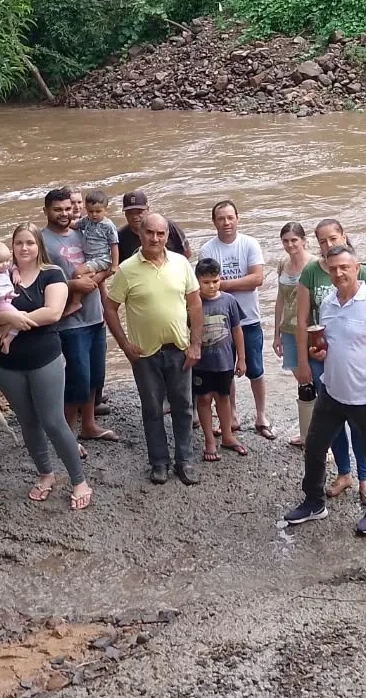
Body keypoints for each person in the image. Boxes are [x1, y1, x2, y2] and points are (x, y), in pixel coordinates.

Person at [0, 223, 93, 510]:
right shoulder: (0, 274)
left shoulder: (52, 273)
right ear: (12, 246)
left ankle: (79, 480)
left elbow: (53, 312)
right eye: (19, 243)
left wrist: (13, 320)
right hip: (5, 363)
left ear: (39, 246)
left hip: (44, 358)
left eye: (30, 242)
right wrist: (8, 321)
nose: (24, 248)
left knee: (53, 421)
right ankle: (45, 474)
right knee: (28, 421)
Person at [284, 245, 366, 537]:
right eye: (333, 268)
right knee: (315, 447)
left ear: (357, 269)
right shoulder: (330, 303)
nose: (339, 273)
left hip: (365, 395)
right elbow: (330, 345)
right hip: (331, 391)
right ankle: (313, 502)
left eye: (345, 267)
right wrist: (318, 355)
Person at [104, 212, 203, 485]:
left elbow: (195, 304)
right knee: (152, 409)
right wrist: (124, 345)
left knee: (183, 407)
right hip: (144, 353)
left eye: (161, 234)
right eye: (150, 233)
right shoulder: (126, 269)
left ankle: (185, 461)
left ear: (167, 236)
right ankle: (159, 462)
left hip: (179, 349)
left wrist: (195, 343)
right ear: (140, 234)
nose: (155, 238)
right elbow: (110, 308)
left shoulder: (181, 263)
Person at [294, 219, 366, 501]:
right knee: (332, 421)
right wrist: (303, 361)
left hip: (355, 361)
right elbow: (302, 319)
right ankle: (344, 472)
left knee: (359, 422)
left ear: (344, 236)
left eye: (333, 238)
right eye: (322, 241)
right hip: (320, 355)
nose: (328, 245)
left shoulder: (355, 268)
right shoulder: (312, 272)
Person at [41, 188, 118, 444]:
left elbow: (105, 261)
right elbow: (38, 280)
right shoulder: (42, 240)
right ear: (46, 211)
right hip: (68, 320)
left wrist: (96, 281)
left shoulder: (84, 231)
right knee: (78, 378)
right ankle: (67, 435)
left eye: (67, 209)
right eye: (57, 209)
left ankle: (89, 425)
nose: (63, 214)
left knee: (96, 376)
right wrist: (74, 287)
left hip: (94, 314)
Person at [199, 200, 274, 440]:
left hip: (249, 319)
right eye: (221, 218)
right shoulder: (208, 249)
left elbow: (257, 279)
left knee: (255, 368)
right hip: (218, 320)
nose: (226, 222)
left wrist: (221, 285)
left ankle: (261, 414)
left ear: (238, 218)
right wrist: (230, 284)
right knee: (225, 371)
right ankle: (231, 413)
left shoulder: (249, 244)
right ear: (214, 222)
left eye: (230, 217)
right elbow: (205, 284)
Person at [194, 257, 246, 462]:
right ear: (197, 280)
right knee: (204, 399)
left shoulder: (229, 300)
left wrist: (241, 358)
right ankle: (209, 440)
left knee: (223, 398)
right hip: (200, 362)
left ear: (220, 279)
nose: (211, 286)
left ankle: (227, 435)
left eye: (215, 281)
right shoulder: (192, 301)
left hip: (224, 361)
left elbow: (237, 330)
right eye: (206, 282)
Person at [272, 222, 311, 446]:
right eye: (286, 241)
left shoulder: (314, 264)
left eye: (294, 240)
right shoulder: (283, 264)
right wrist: (276, 333)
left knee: (312, 379)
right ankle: (306, 434)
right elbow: (279, 300)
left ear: (303, 241)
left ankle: (319, 437)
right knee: (301, 380)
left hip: (308, 329)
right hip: (287, 328)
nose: (290, 245)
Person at [65, 190, 120, 317]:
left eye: (98, 211)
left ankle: (76, 302)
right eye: (90, 211)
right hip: (90, 258)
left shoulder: (108, 226)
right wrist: (64, 220)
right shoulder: (86, 221)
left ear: (106, 210)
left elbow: (114, 245)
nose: (94, 215)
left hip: (102, 258)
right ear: (86, 210)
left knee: (78, 273)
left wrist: (115, 265)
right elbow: (75, 225)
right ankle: (106, 312)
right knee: (98, 284)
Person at [118, 191, 190, 261]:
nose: (135, 217)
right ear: (125, 214)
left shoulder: (166, 226)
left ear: (148, 210)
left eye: (139, 212)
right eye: (130, 213)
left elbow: (187, 252)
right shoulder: (120, 237)